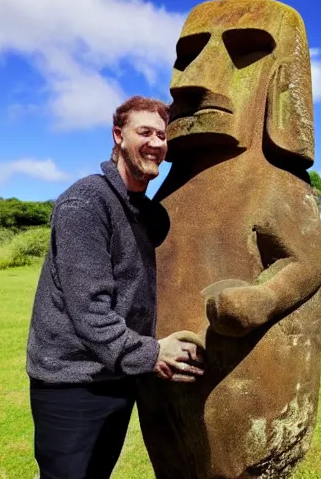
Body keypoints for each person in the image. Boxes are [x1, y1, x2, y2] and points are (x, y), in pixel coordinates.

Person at [26, 96, 204, 479]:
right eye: (145, 132)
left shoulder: (146, 213)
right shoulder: (86, 202)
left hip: (117, 378)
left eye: (162, 135)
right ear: (118, 135)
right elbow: (90, 311)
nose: (156, 143)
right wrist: (154, 352)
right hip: (71, 385)